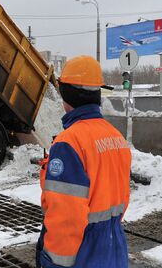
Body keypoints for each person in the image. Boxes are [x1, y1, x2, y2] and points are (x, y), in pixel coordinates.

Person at [36, 55, 131, 268]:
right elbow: (121, 201)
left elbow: (66, 221)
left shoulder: (68, 143)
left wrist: (53, 263)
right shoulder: (116, 137)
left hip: (84, 256)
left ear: (65, 94)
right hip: (114, 249)